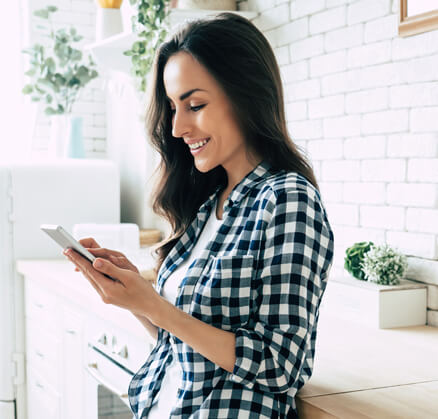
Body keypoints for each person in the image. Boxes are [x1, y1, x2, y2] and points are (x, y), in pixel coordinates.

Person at [64, 12, 334, 419]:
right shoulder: (210, 204)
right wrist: (136, 296)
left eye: (194, 105)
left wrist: (156, 306)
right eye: (173, 107)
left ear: (246, 95)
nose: (177, 127)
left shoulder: (287, 200)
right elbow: (186, 346)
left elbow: (281, 367)